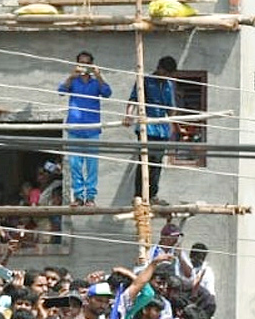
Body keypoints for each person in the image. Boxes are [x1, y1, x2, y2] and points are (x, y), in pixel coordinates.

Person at [58, 51, 111, 206]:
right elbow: (61, 91)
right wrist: (71, 76)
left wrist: (99, 75)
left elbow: (107, 93)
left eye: (87, 64)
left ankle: (91, 197)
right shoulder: (73, 82)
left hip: (93, 129)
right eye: (81, 63)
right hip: (75, 128)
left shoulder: (96, 83)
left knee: (92, 166)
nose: (84, 67)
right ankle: (79, 196)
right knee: (75, 165)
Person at [123, 55, 177, 203]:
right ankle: (139, 195)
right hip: (146, 127)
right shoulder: (145, 81)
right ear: (159, 69)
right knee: (144, 161)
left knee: (157, 163)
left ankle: (152, 195)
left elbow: (172, 108)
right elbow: (133, 99)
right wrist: (128, 115)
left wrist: (171, 124)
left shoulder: (169, 84)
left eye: (168, 75)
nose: (166, 76)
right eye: (164, 73)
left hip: (162, 130)